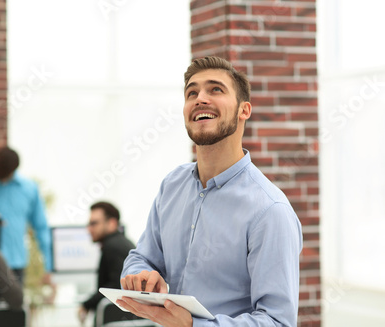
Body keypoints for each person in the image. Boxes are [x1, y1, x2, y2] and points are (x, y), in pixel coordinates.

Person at [118, 56, 303, 327]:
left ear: (244, 110)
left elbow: (277, 322)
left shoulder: (269, 210)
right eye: (192, 92)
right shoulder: (172, 185)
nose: (200, 98)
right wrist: (141, 274)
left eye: (215, 89)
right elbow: (142, 256)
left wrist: (194, 325)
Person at [0, 146, 53, 286]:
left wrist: (48, 265)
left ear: (14, 169)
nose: (2, 177)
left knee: (14, 307)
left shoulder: (30, 189)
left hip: (15, 263)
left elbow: (41, 228)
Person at [78, 201, 136, 325]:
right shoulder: (122, 243)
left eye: (94, 223)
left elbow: (115, 286)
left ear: (112, 223)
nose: (89, 229)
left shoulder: (113, 246)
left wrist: (86, 304)